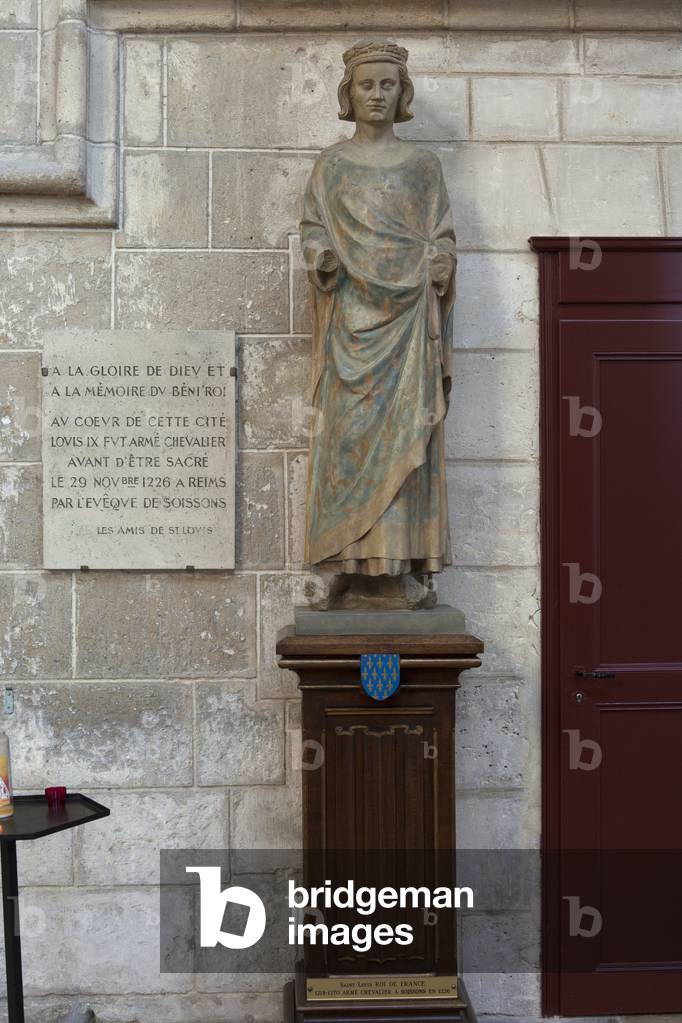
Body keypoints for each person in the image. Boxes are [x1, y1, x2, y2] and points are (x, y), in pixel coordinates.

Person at [301, 40, 456, 608]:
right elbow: (314, 228)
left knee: (407, 439)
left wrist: (442, 262)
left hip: (410, 324)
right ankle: (345, 561)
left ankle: (400, 569)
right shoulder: (332, 165)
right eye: (366, 84)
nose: (376, 94)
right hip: (351, 327)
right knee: (347, 443)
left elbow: (441, 234)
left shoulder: (423, 167)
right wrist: (319, 255)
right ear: (349, 93)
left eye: (387, 84)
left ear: (401, 93)